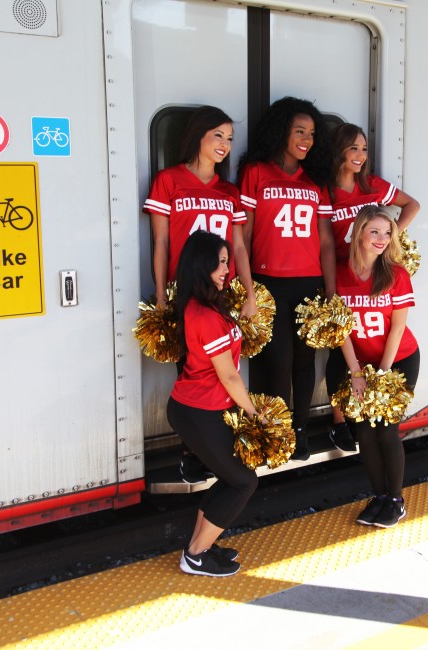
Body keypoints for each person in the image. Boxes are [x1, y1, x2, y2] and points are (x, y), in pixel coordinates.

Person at [143, 106, 257, 483]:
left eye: (229, 138)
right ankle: (191, 451)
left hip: (223, 290)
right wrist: (161, 293)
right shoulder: (168, 180)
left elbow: (239, 248)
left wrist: (250, 292)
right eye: (217, 136)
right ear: (198, 137)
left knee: (225, 368)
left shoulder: (229, 190)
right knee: (191, 370)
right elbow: (160, 241)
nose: (224, 144)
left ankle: (215, 445)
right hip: (186, 292)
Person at [238, 97, 335, 461]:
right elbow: (243, 235)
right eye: (299, 131)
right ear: (282, 131)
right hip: (268, 281)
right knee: (277, 361)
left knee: (304, 363)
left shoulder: (316, 179)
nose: (306, 140)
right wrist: (244, 287)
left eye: (311, 134)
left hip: (309, 283)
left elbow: (325, 240)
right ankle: (274, 434)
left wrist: (331, 290)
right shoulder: (256, 171)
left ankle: (301, 431)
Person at [167, 230, 260, 576]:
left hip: (208, 408)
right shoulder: (203, 314)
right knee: (243, 481)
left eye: (227, 262)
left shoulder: (209, 304)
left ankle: (201, 546)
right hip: (197, 411)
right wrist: (254, 414)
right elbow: (230, 376)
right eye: (220, 263)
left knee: (230, 477)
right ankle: (195, 554)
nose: (226, 269)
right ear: (201, 264)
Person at [326, 123, 420, 452]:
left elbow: (412, 205)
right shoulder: (328, 192)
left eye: (364, 149)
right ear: (339, 151)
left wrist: (389, 239)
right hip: (344, 274)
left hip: (371, 273)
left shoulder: (374, 186)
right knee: (340, 344)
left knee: (371, 333)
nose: (360, 156)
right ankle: (339, 421)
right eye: (353, 149)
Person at [327, 205, 420, 528]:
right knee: (364, 431)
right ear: (359, 233)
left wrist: (382, 374)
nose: (382, 239)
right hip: (360, 363)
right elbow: (340, 328)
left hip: (399, 359)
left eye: (388, 232)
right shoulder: (340, 272)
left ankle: (396, 500)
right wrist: (355, 372)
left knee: (386, 428)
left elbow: (397, 329)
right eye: (375, 232)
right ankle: (378, 496)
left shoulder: (396, 274)